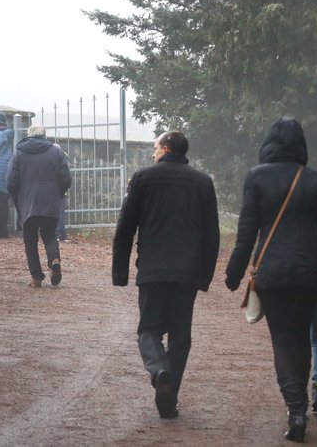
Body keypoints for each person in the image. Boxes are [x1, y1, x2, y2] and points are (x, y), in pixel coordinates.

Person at [225, 117, 317, 443]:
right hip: (310, 274)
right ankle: (302, 403)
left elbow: (246, 234)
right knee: (302, 338)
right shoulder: (314, 180)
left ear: (268, 143)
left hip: (273, 275)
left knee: (281, 339)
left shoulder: (255, 178)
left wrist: (234, 273)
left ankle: (295, 411)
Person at [112, 130, 220, 420]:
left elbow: (125, 228)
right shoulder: (202, 182)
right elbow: (212, 235)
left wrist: (120, 271)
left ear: (166, 148)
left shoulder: (143, 178)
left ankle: (160, 371)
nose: (152, 153)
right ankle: (169, 398)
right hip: (187, 272)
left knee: (148, 330)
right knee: (181, 337)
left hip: (153, 269)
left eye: (155, 147)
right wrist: (205, 275)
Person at [6, 125, 72, 287]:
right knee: (49, 235)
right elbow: (66, 178)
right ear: (44, 135)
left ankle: (36, 277)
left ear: (29, 135)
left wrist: (17, 196)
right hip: (50, 200)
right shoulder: (56, 151)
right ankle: (54, 259)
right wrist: (58, 193)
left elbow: (11, 180)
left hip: (28, 201)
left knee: (30, 240)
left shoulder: (19, 152)